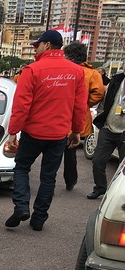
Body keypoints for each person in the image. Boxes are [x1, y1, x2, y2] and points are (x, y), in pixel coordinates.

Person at [4, 30, 87, 231]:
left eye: (37, 45)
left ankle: (22, 206)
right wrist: (76, 131)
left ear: (47, 45)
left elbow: (21, 105)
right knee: (48, 177)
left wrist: (13, 132)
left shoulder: (32, 70)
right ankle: (39, 218)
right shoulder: (77, 72)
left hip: (33, 132)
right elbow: (79, 106)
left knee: (22, 168)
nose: (35, 49)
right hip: (58, 134)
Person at [61, 41, 104, 191]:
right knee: (70, 152)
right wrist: (85, 104)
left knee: (52, 151)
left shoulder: (63, 69)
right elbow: (99, 93)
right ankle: (70, 180)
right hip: (76, 117)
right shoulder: (92, 73)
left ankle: (49, 179)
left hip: (58, 115)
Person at [86, 68, 125, 199]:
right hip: (108, 128)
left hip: (124, 131)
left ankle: (118, 196)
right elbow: (104, 99)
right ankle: (100, 187)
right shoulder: (116, 81)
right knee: (98, 161)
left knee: (122, 168)